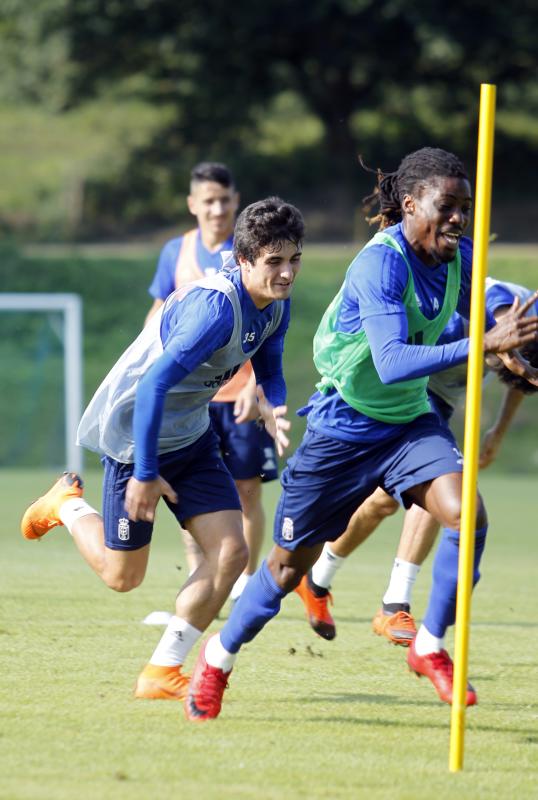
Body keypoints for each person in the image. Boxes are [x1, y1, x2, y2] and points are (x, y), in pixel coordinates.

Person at [184, 147, 538, 721]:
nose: (458, 218)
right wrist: (485, 345)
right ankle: (217, 659)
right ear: (409, 204)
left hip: (408, 423)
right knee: (283, 571)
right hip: (342, 427)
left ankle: (428, 647)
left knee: (466, 516)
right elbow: (394, 360)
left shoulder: (459, 259)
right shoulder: (383, 263)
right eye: (447, 206)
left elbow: (491, 320)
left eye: (465, 208)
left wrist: (512, 344)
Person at [20, 197, 304, 702]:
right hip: (137, 438)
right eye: (273, 262)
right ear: (244, 261)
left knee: (232, 552)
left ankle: (162, 669)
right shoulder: (215, 310)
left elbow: (273, 369)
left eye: (293, 260)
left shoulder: (276, 306)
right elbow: (152, 387)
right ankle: (67, 505)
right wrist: (146, 473)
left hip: (190, 437)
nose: (286, 274)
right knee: (122, 576)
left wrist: (272, 403)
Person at [295, 276, 538, 645]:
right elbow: (491, 307)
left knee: (382, 503)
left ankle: (316, 580)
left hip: (438, 397)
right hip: (404, 386)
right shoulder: (495, 301)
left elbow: (521, 378)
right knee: (436, 480)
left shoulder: (527, 333)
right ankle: (393, 605)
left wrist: (498, 432)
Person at [146, 162, 278, 603]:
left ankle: (243, 583)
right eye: (208, 200)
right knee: (190, 494)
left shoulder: (251, 252)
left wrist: (255, 389)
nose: (218, 208)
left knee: (245, 489)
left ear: (236, 200)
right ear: (192, 205)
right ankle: (203, 578)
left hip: (237, 395)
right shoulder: (175, 252)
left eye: (224, 199)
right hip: (191, 399)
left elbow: (264, 328)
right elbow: (161, 313)